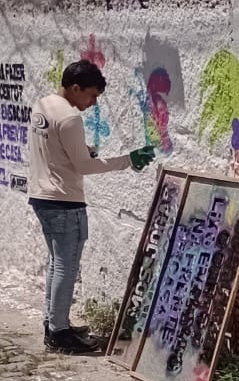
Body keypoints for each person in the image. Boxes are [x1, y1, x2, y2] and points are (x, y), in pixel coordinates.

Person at [28, 59, 155, 354]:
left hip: (42, 196)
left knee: (56, 263)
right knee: (66, 265)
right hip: (64, 200)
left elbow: (57, 151)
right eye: (92, 95)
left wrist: (83, 151)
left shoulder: (43, 106)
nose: (93, 102)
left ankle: (53, 323)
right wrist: (128, 160)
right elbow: (83, 167)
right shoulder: (70, 118)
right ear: (75, 88)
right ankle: (59, 333)